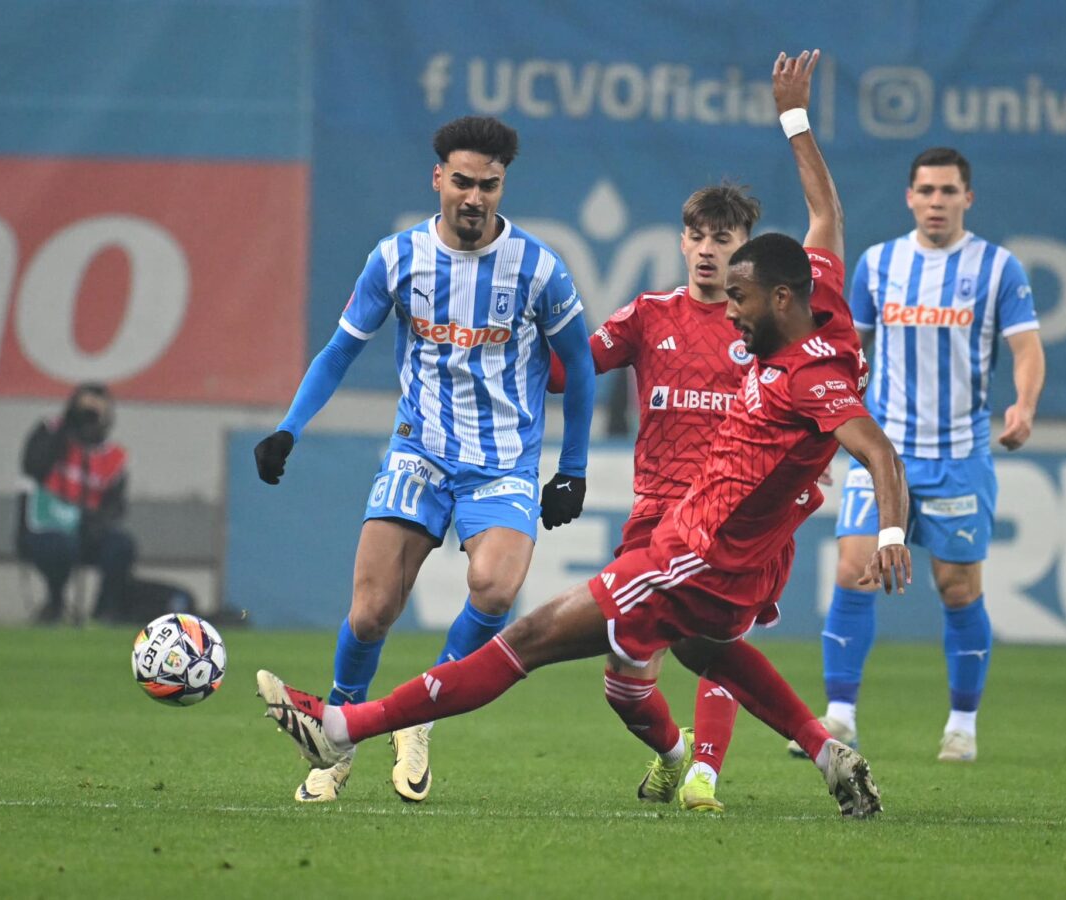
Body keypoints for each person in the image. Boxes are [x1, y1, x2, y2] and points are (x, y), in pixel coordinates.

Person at [256, 50, 910, 821]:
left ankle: (342, 728)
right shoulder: (818, 295)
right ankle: (821, 752)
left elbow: (874, 446)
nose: (728, 312)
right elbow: (827, 217)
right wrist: (796, 117)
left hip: (693, 550)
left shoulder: (808, 377)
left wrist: (892, 529)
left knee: (526, 637)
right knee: (698, 652)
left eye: (739, 298)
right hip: (727, 558)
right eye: (716, 275)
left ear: (778, 296)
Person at [253, 115, 596, 804]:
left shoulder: (539, 268)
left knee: (496, 589)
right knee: (372, 611)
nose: (474, 197)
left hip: (503, 463)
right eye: (462, 181)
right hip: (420, 455)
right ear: (437, 177)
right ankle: (338, 736)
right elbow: (340, 349)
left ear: (504, 187)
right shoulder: (395, 258)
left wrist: (574, 468)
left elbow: (581, 368)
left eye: (489, 185)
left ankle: (419, 717)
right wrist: (288, 427)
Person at [542, 50, 843, 814]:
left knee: (718, 637)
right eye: (697, 235)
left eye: (724, 236)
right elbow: (567, 370)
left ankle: (707, 770)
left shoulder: (767, 327)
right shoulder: (649, 316)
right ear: (682, 242)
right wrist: (511, 337)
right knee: (623, 675)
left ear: (743, 247)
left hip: (733, 520)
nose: (708, 248)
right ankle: (675, 752)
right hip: (655, 518)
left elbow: (825, 235)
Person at [790, 146, 1045, 764]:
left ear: (967, 198)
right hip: (885, 452)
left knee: (957, 590)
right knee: (853, 568)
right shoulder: (878, 266)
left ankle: (962, 724)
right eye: (926, 191)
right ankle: (842, 717)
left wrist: (1025, 405)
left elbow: (1027, 347)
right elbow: (848, 354)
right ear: (909, 197)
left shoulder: (997, 268)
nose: (936, 202)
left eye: (948, 191)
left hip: (958, 454)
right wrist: (828, 430)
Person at [17, 382, 135, 624]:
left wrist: (96, 523)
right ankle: (56, 602)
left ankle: (105, 611)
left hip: (87, 527)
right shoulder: (49, 431)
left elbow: (116, 505)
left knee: (121, 546)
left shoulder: (112, 456)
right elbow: (33, 466)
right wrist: (70, 425)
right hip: (44, 526)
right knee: (62, 545)